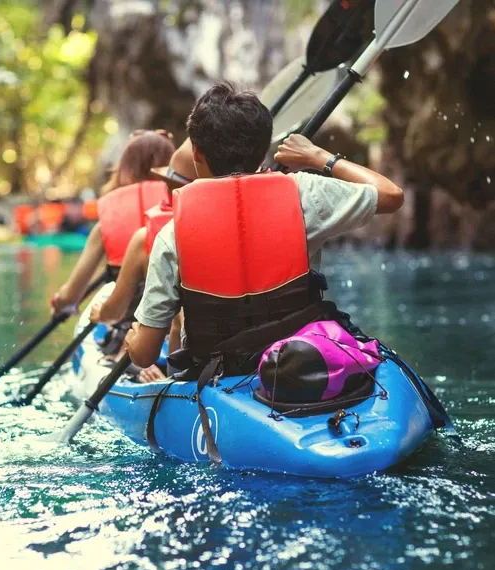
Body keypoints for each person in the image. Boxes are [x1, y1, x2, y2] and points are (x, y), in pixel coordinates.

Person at [125, 81, 404, 378]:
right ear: (262, 149)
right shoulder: (304, 194)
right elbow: (391, 195)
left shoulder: (172, 235)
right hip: (302, 365)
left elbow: (144, 354)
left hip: (220, 376)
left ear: (196, 154)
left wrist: (132, 340)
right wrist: (318, 157)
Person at [89, 139, 196, 381]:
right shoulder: (238, 227)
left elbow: (115, 311)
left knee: (129, 346)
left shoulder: (148, 237)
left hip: (156, 346)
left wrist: (100, 316)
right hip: (205, 354)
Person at [49, 130, 175, 315]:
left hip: (124, 320)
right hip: (176, 320)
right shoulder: (184, 207)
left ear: (126, 169)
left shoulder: (106, 225)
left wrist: (59, 303)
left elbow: (71, 295)